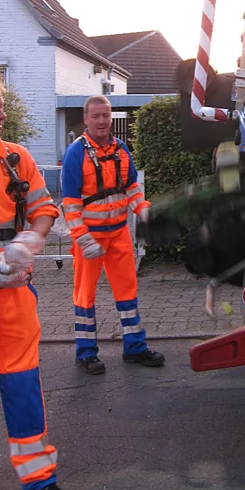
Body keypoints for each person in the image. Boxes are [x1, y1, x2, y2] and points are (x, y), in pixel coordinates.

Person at [0, 73, 73, 490]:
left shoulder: (16, 158)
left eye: (1, 106)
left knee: (23, 388)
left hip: (14, 292)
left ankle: (40, 480)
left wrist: (31, 241)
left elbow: (43, 210)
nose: (2, 114)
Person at [61, 96, 165, 375]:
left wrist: (142, 210)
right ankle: (85, 353)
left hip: (118, 234)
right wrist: (82, 238)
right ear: (86, 119)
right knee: (85, 296)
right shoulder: (75, 153)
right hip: (89, 238)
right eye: (95, 115)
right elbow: (69, 202)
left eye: (105, 115)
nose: (102, 120)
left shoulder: (121, 149)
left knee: (127, 293)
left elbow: (131, 186)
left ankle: (134, 347)